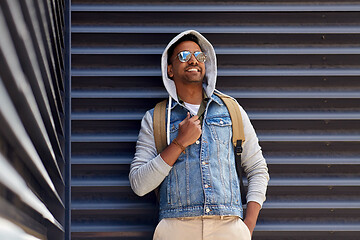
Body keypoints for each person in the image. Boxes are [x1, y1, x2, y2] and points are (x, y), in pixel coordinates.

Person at [129, 30, 269, 240]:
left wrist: (246, 227)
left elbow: (258, 169)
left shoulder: (231, 110)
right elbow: (139, 185)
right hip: (176, 228)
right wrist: (179, 143)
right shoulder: (156, 118)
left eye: (199, 55)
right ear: (170, 70)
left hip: (228, 227)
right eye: (184, 56)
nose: (193, 60)